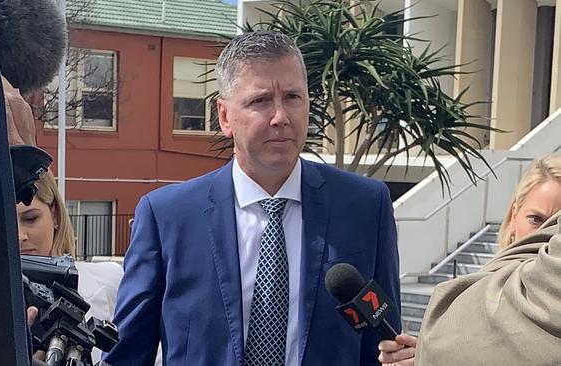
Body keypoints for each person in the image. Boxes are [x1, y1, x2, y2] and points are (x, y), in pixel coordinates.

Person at [105, 30, 401, 366]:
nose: (280, 117)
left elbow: (384, 344)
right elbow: (127, 354)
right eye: (260, 101)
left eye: (293, 97)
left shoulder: (365, 206)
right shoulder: (167, 216)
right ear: (225, 116)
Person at [378, 154, 561, 366]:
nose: (544, 234)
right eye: (536, 219)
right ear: (514, 214)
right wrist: (432, 352)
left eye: (554, 228)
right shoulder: (480, 289)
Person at [16, 169, 123, 364]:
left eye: (30, 219)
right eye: (5, 223)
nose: (20, 235)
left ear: (55, 215)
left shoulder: (110, 281)